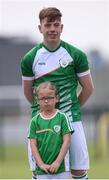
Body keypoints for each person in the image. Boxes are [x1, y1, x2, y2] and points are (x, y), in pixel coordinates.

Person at [21, 7, 94, 179]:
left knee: (79, 170)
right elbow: (27, 92)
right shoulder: (30, 58)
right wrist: (45, 112)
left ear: (62, 27)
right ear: (40, 28)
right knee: (40, 171)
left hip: (71, 118)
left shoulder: (76, 55)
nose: (52, 29)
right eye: (48, 25)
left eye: (56, 24)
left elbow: (88, 88)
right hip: (41, 124)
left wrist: (70, 109)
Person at [28, 81, 74, 179]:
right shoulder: (35, 121)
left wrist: (57, 162)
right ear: (37, 100)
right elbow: (33, 145)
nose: (46, 101)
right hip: (42, 170)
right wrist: (40, 164)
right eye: (43, 98)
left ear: (56, 98)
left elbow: (67, 141)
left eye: (49, 97)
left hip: (61, 168)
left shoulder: (62, 117)